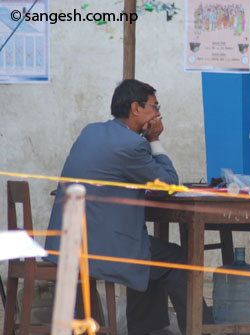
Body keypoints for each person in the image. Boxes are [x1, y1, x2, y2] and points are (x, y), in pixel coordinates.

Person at [45, 79, 213, 335]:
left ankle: (148, 329)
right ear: (136, 108)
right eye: (155, 107)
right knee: (176, 259)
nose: (158, 114)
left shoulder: (91, 131)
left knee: (152, 252)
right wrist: (155, 140)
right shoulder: (133, 145)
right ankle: (201, 330)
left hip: (66, 242)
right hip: (98, 247)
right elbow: (169, 183)